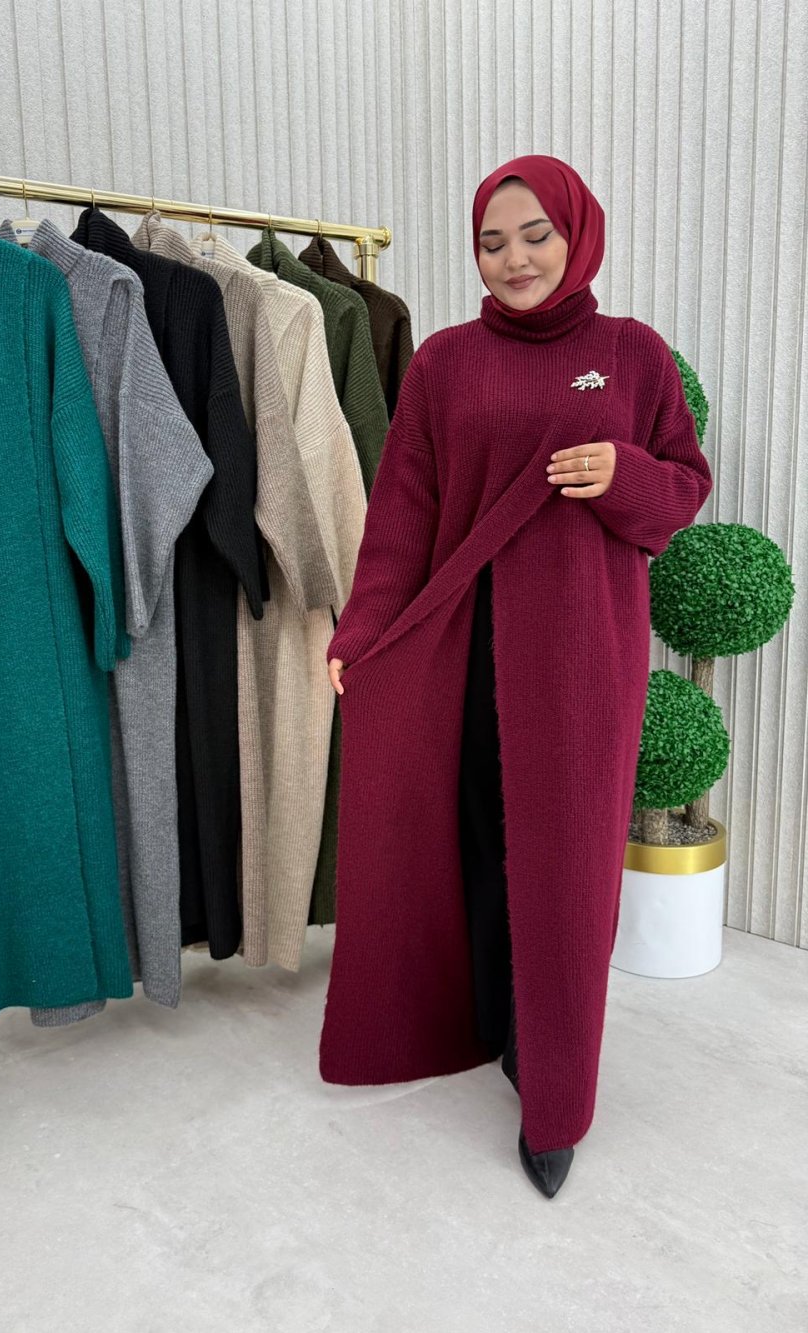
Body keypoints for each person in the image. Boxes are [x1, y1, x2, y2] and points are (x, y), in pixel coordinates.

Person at [319, 154, 713, 1199]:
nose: (514, 259)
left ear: (577, 234)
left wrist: (623, 474)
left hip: (579, 659)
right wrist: (363, 630)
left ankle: (555, 1089)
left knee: (568, 867)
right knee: (476, 845)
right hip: (461, 652)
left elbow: (682, 491)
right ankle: (488, 1023)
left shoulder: (633, 355)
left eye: (536, 234)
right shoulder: (445, 363)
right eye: (492, 242)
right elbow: (403, 512)